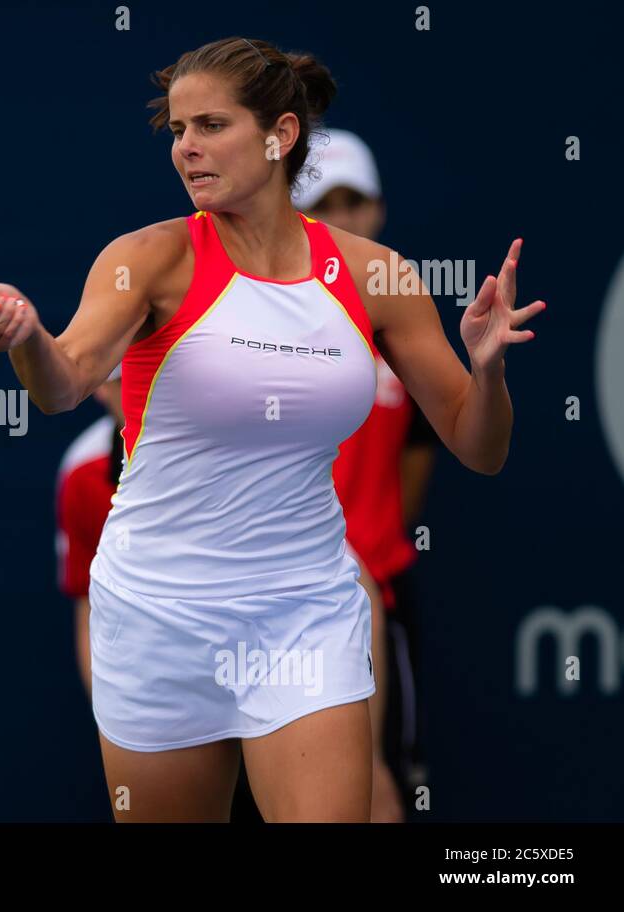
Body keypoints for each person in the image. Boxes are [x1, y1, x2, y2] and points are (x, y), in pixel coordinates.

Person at [0, 36, 543, 822]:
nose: (186, 148)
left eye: (210, 126)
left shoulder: (379, 275)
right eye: (177, 130)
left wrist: (488, 369)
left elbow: (481, 446)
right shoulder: (146, 258)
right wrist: (27, 339)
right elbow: (66, 384)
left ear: (281, 135)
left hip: (304, 607)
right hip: (158, 613)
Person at [293, 128, 439, 822]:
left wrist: (365, 556)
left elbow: (419, 455)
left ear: (378, 210)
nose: (346, 220)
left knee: (377, 791)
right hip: (268, 596)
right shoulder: (258, 323)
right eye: (328, 204)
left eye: (359, 203)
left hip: (373, 589)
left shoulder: (403, 324)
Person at [55, 366, 124, 698]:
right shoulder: (84, 471)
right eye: (126, 379)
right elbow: (91, 606)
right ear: (100, 387)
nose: (148, 390)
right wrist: (106, 709)